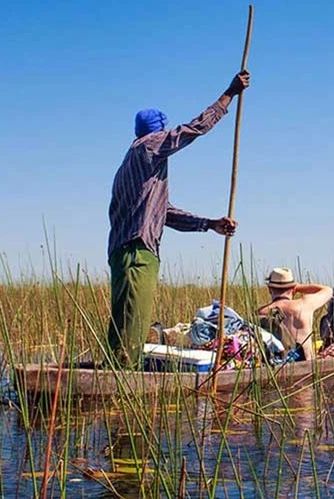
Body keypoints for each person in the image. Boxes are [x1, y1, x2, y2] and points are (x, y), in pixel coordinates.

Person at [107, 69, 250, 367]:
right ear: (157, 133)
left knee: (124, 322)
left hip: (126, 251)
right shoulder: (149, 147)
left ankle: (116, 371)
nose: (167, 140)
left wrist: (209, 224)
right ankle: (123, 381)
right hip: (137, 252)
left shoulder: (133, 164)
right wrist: (229, 94)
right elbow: (193, 130)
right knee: (131, 324)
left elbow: (165, 213)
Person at [257, 267, 332, 361]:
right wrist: (299, 287)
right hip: (307, 366)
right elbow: (328, 290)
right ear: (293, 289)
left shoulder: (261, 312)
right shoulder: (304, 305)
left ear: (269, 289)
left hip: (277, 366)